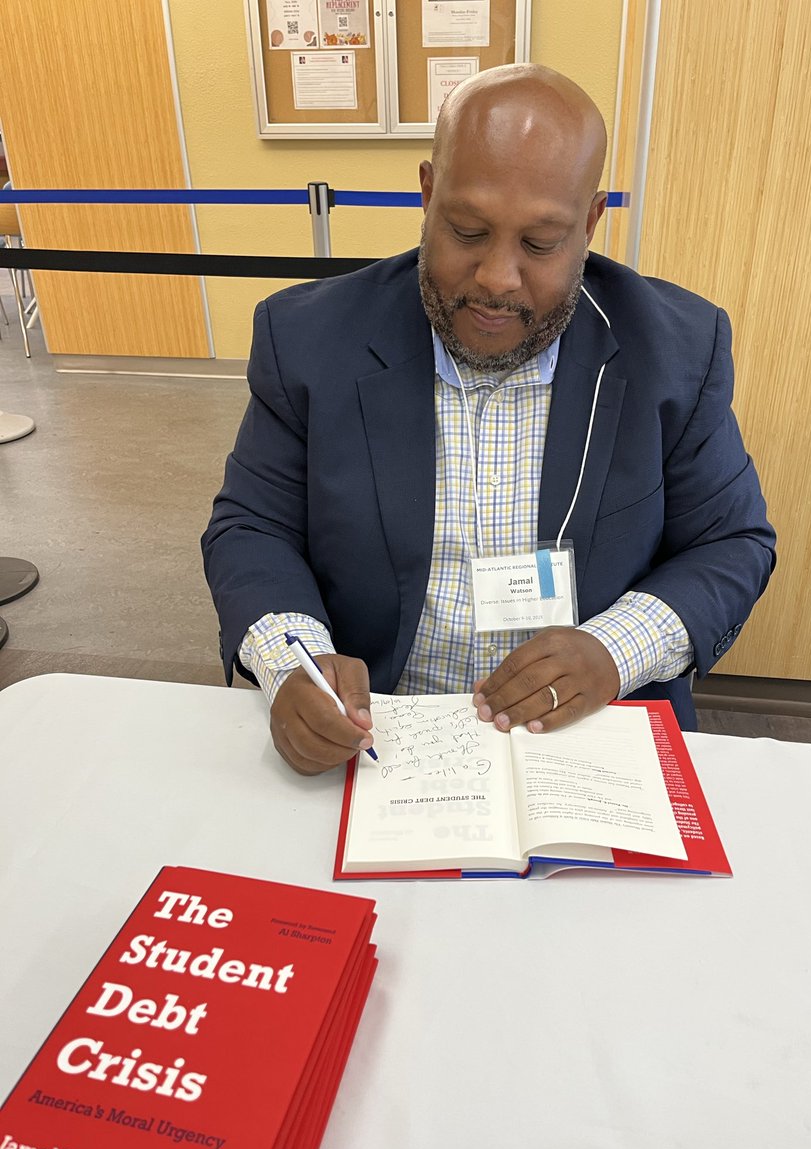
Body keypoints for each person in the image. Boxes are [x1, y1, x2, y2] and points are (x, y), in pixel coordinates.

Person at [202, 64, 775, 776]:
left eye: (540, 244)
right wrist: (295, 659)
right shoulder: (310, 339)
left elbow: (732, 542)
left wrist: (612, 651)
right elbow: (253, 526)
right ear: (427, 191)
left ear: (591, 223)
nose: (498, 279)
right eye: (467, 230)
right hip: (381, 734)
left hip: (585, 738)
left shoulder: (677, 350)